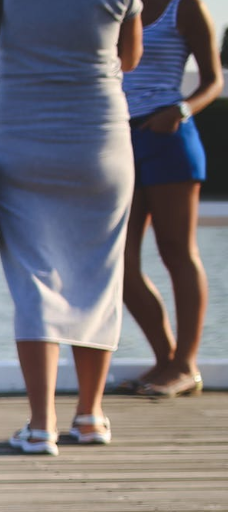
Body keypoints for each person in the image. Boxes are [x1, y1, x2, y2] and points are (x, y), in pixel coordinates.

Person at [0, 0, 144, 456]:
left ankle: (40, 425)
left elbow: (1, 37)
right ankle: (91, 415)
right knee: (98, 274)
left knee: (34, 277)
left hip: (20, 136)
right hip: (99, 136)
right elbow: (129, 57)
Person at [118, 0, 221, 398]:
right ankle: (165, 359)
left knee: (177, 251)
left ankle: (185, 366)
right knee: (119, 263)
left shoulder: (187, 6)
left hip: (168, 138)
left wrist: (180, 110)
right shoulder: (116, 5)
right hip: (118, 139)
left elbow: (213, 81)